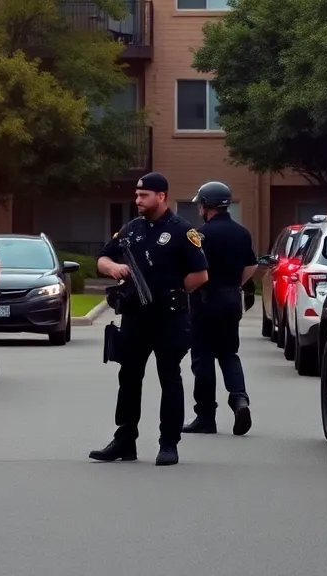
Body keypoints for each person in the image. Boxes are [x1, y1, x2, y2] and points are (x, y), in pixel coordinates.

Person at [89, 172, 209, 466]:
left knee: (170, 377)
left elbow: (200, 274)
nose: (138, 200)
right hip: (135, 316)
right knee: (128, 377)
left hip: (168, 317)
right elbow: (103, 257)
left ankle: (168, 443)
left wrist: (176, 292)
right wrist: (113, 268)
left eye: (144, 196)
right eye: (137, 195)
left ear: (161, 196)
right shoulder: (132, 229)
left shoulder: (182, 231)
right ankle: (124, 441)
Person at [183, 180, 258, 437]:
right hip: (231, 299)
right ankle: (239, 400)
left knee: (203, 358)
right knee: (229, 354)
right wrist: (235, 284)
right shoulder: (242, 232)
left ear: (206, 205)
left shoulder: (200, 235)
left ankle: (205, 417)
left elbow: (195, 270)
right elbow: (252, 265)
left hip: (206, 301)